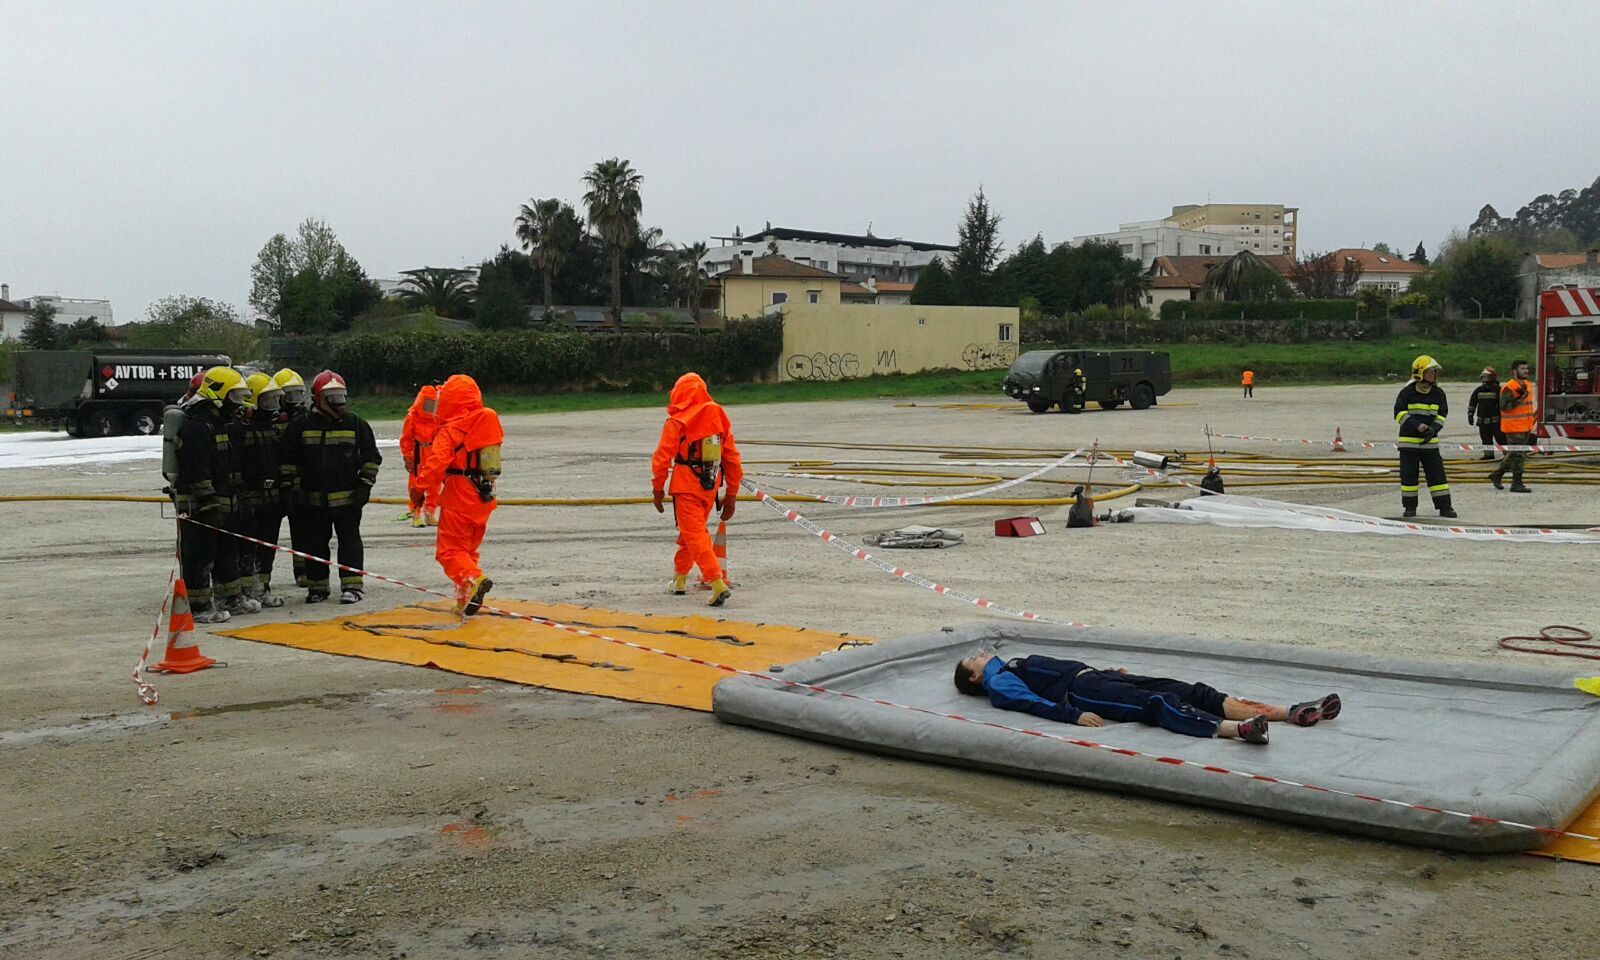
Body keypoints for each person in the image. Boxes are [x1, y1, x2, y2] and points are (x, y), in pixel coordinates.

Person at [953, 651, 1342, 745]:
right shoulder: (999, 683)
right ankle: (1237, 730)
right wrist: (1072, 716)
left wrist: (1108, 671)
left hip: (1097, 676)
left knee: (1189, 690)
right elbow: (1030, 702)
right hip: (1085, 692)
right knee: (1155, 705)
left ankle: (1288, 712)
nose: (983, 653)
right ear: (975, 676)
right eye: (975, 658)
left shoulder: (1012, 665)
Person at [281, 371, 381, 603]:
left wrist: (365, 486)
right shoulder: (300, 426)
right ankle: (317, 588)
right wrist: (289, 489)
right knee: (314, 544)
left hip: (348, 500)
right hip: (312, 501)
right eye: (332, 397)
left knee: (350, 543)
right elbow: (288, 462)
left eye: (341, 396)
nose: (339, 403)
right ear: (318, 398)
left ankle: (352, 587)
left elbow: (371, 459)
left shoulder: (356, 424)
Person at [170, 366, 260, 622]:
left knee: (227, 553)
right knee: (199, 555)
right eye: (235, 397)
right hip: (200, 507)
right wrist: (209, 506)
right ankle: (198, 607)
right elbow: (198, 472)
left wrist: (238, 498)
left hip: (224, 505)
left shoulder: (220, 425)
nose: (239, 404)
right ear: (217, 395)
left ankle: (230, 598)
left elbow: (228, 467)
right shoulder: (197, 428)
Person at [652, 372, 742, 607]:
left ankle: (716, 583)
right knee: (691, 533)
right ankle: (680, 578)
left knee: (695, 535)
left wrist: (657, 488)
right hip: (710, 485)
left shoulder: (677, 421)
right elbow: (731, 457)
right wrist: (731, 494)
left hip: (686, 485)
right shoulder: (718, 415)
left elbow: (662, 456)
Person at [416, 374, 503, 615]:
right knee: (467, 551)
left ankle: (473, 579)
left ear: (450, 400)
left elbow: (434, 467)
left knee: (449, 551)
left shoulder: (451, 430)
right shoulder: (487, 420)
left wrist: (418, 491)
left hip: (458, 495)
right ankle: (465, 598)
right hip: (484, 496)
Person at [239, 373, 287, 608]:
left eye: (275, 401)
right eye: (267, 401)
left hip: (272, 500)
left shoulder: (275, 430)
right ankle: (246, 590)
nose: (273, 407)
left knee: (268, 546)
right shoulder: (240, 430)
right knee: (246, 547)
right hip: (249, 499)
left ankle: (263, 587)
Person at [1393, 355, 1455, 519]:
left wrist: (1433, 429)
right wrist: (1416, 426)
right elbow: (1398, 414)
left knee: (1437, 476)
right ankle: (1410, 507)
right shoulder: (1407, 393)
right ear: (1420, 373)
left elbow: (1442, 415)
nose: (1435, 374)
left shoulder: (1438, 394)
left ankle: (1445, 507)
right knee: (1409, 476)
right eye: (1431, 371)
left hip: (1430, 444)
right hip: (1409, 445)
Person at [271, 367, 313, 589]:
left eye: (298, 394)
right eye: (290, 395)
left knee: (302, 531)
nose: (294, 401)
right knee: (268, 533)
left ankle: (303, 572)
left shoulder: (306, 418)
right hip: (273, 484)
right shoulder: (269, 420)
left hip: (298, 484)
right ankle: (262, 574)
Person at [1489, 359, 1537, 494]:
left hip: (1525, 426)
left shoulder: (1527, 384)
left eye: (1526, 368)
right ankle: (1516, 483)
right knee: (1518, 456)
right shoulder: (1509, 387)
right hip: (1513, 427)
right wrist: (1519, 397)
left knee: (1515, 454)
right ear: (1514, 371)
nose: (1526, 371)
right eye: (1522, 369)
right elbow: (1505, 407)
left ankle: (1497, 474)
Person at [399, 383, 441, 528]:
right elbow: (406, 438)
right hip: (418, 454)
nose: (430, 407)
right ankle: (416, 514)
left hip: (434, 452)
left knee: (435, 483)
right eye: (427, 403)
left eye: (433, 403)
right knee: (416, 484)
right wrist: (407, 456)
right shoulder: (412, 417)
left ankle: (430, 512)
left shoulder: (438, 418)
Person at [1467, 367, 1504, 461]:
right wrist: (1470, 414)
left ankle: (1507, 453)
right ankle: (1488, 454)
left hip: (1495, 421)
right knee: (1485, 439)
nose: (1484, 379)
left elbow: (1503, 405)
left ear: (1492, 377)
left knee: (1500, 439)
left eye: (1486, 377)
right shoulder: (1479, 390)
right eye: (1483, 377)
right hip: (1482, 421)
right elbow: (1473, 403)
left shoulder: (1498, 390)